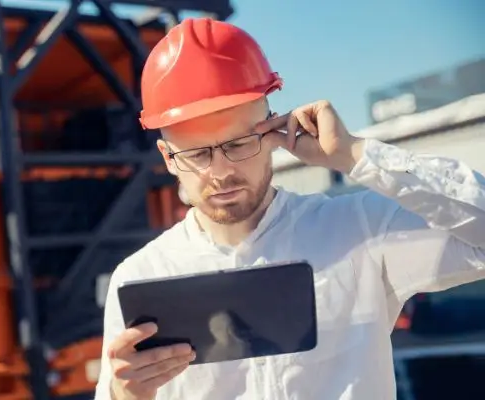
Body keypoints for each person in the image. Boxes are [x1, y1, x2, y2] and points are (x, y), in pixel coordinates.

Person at [94, 17, 485, 400]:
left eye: (238, 143)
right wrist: (124, 394)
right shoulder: (141, 277)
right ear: (167, 156)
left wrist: (354, 154)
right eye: (197, 154)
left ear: (272, 131)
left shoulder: (359, 230)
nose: (221, 172)